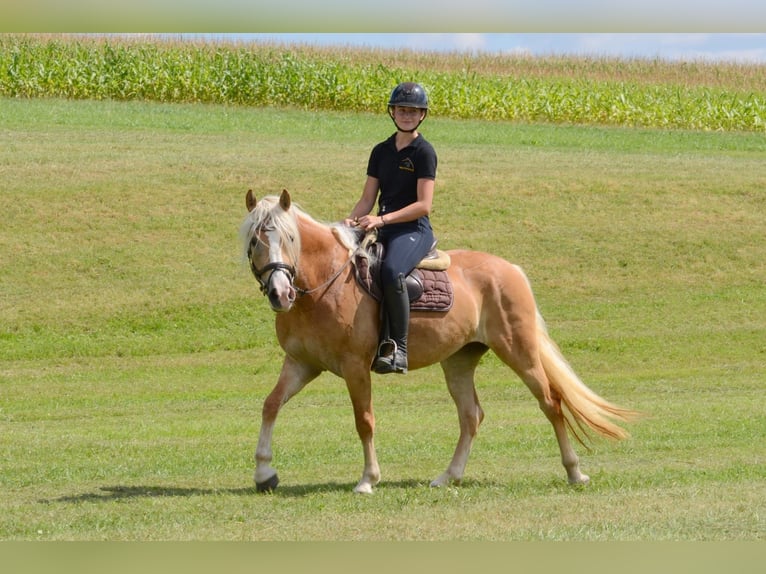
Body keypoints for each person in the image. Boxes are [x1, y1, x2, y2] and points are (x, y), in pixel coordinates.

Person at [344, 81, 437, 375]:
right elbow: (368, 199)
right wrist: (349, 221)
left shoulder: (424, 152)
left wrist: (381, 220)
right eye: (402, 109)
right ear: (393, 112)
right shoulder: (380, 151)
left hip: (414, 230)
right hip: (383, 229)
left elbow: (424, 205)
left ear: (422, 115)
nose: (407, 115)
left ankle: (398, 348)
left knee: (391, 270)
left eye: (413, 111)